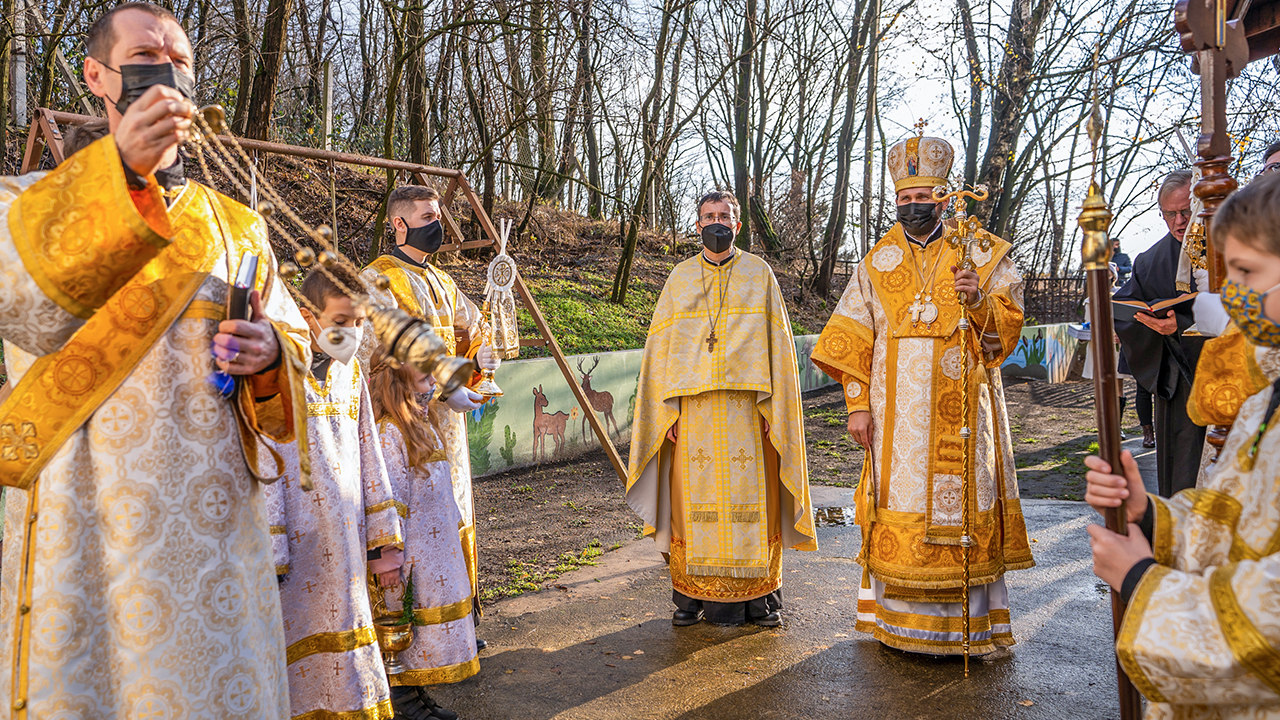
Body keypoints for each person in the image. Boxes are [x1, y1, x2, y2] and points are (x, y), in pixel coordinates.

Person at [0, 3, 309, 716]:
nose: (166, 70)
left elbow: (296, 364)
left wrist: (270, 357)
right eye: (145, 55)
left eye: (180, 59)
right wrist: (123, 173)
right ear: (97, 76)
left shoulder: (241, 227)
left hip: (212, 531)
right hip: (82, 521)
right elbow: (20, 301)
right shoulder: (28, 204)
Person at [810, 133, 1034, 656]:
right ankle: (898, 626)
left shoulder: (980, 250)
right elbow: (851, 340)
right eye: (904, 199)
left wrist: (979, 300)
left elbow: (1008, 331)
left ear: (944, 195)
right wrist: (857, 406)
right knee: (900, 503)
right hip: (895, 419)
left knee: (962, 508)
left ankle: (967, 628)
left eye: (924, 197)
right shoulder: (875, 262)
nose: (913, 206)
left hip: (963, 408)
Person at [1084, 171, 1280, 719]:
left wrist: (1142, 580)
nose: (1230, 296)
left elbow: (1268, 625)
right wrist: (1150, 518)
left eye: (1245, 273)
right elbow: (1235, 520)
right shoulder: (1269, 395)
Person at [626, 190, 816, 627]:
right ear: (696, 225)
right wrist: (664, 413)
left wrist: (777, 415)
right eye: (708, 216)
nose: (716, 222)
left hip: (750, 415)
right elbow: (661, 353)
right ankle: (689, 600)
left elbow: (779, 352)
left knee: (756, 502)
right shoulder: (680, 279)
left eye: (724, 216)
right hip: (692, 417)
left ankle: (760, 601)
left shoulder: (759, 273)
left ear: (737, 225)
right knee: (692, 508)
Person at [358, 185, 502, 649]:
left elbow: (475, 331)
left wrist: (479, 374)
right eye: (426, 215)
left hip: (449, 434)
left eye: (438, 214)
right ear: (399, 224)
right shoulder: (377, 280)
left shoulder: (443, 281)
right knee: (415, 530)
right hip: (403, 429)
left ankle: (455, 629)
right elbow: (376, 353)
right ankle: (412, 639)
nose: (436, 224)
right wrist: (444, 389)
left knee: (453, 517)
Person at [263, 267, 404, 720]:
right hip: (293, 550)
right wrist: (272, 548)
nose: (354, 334)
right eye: (342, 322)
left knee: (347, 653)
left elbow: (369, 454)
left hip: (344, 541)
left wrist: (382, 537)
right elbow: (263, 460)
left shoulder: (353, 372)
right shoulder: (274, 375)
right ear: (308, 317)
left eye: (361, 323)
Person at [369, 344, 479, 720]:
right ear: (398, 376)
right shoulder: (388, 434)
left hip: (432, 553)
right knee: (403, 629)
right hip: (409, 557)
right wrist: (388, 558)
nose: (435, 378)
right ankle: (402, 702)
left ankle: (417, 693)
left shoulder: (422, 423)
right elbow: (389, 500)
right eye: (426, 370)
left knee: (419, 637)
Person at [1113, 169, 1207, 497]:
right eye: (1170, 213)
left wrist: (1180, 324)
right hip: (1177, 383)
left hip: (1228, 377)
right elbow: (1124, 309)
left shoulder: (1231, 250)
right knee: (1181, 476)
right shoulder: (1148, 260)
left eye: (1186, 211)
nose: (1179, 221)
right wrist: (1147, 324)